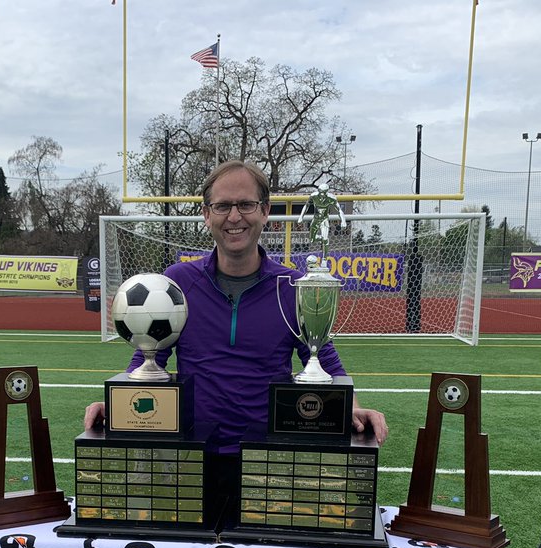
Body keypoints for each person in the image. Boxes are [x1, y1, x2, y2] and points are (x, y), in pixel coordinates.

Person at [83, 160, 387, 519]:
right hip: (189, 454)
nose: (234, 217)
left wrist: (348, 404)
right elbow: (150, 356)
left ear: (265, 213)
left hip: (265, 459)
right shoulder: (179, 281)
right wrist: (119, 405)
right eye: (223, 206)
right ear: (206, 215)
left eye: (245, 205)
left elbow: (322, 359)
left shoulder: (291, 287)